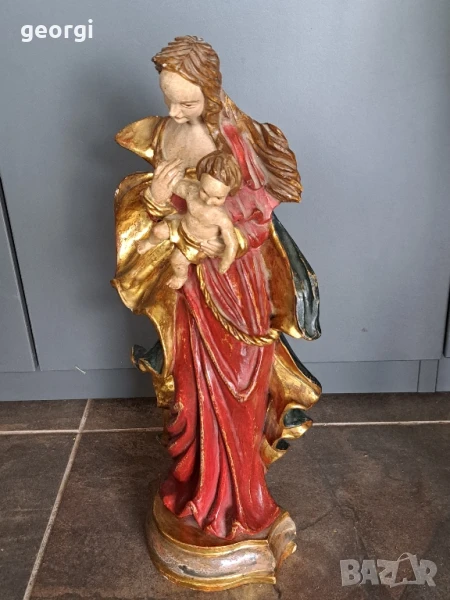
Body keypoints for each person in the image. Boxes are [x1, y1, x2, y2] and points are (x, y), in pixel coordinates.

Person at [112, 36, 321, 541]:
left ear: (209, 90)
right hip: (186, 287)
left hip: (234, 287)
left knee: (237, 392)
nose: (175, 112)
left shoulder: (235, 141)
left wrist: (224, 241)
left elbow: (258, 222)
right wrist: (155, 199)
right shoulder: (162, 133)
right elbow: (157, 215)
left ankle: (241, 501)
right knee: (189, 390)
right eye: (169, 100)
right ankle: (198, 490)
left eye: (187, 102)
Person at [136, 151, 241, 289]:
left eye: (218, 198)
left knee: (177, 261)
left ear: (228, 193)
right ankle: (150, 243)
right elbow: (175, 185)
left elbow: (231, 243)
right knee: (157, 231)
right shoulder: (192, 192)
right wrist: (164, 178)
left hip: (196, 243)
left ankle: (181, 277)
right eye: (204, 192)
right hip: (181, 225)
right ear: (200, 181)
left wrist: (225, 262)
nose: (209, 201)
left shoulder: (221, 218)